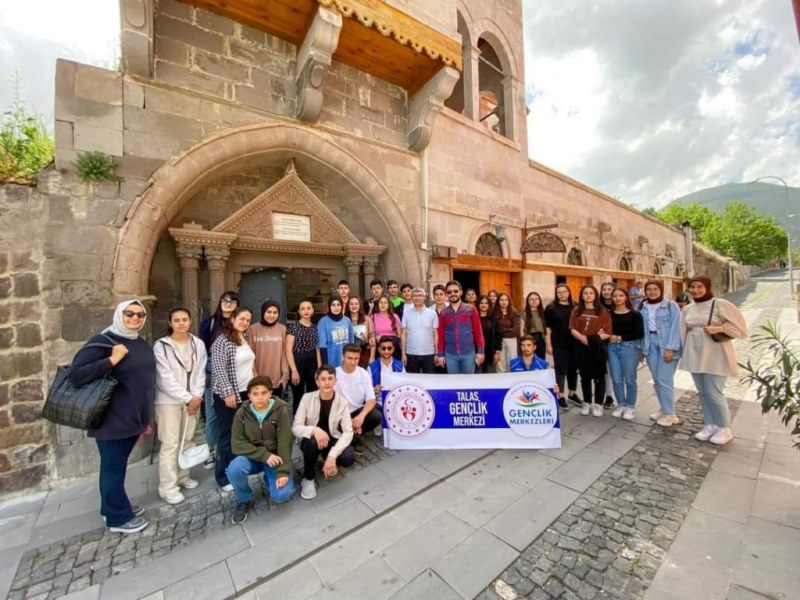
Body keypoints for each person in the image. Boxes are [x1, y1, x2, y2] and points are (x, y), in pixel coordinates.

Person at [69, 300, 156, 533]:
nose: (135, 318)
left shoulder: (136, 340)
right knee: (112, 467)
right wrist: (111, 360)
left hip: (133, 416)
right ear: (120, 314)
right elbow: (76, 375)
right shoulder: (102, 341)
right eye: (130, 314)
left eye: (140, 314)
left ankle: (114, 506)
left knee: (117, 466)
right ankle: (117, 518)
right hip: (112, 418)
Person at [680, 276, 747, 445]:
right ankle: (710, 423)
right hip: (695, 350)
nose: (696, 290)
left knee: (714, 391)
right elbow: (682, 330)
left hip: (714, 350)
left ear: (707, 287)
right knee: (702, 391)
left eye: (700, 286)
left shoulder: (720, 304)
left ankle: (724, 427)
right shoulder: (688, 309)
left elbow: (740, 329)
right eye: (692, 287)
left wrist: (720, 328)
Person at [154, 308, 207, 505]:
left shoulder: (197, 344)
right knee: (170, 443)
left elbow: (200, 371)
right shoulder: (162, 346)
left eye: (185, 319)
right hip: (169, 401)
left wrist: (196, 396)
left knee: (188, 439)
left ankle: (183, 476)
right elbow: (164, 377)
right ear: (170, 323)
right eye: (177, 320)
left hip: (193, 399)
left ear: (190, 321)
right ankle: (168, 486)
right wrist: (187, 397)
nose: (181, 323)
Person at [228, 376, 295, 524]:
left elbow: (285, 441)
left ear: (270, 393)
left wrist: (283, 471)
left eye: (264, 393)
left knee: (282, 495)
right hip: (253, 457)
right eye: (255, 394)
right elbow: (237, 444)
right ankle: (244, 499)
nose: (260, 398)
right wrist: (263, 455)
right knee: (234, 468)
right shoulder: (242, 413)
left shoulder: (281, 409)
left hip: (276, 457)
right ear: (249, 396)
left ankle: (270, 478)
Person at [292, 365, 356, 500]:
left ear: (335, 381)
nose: (327, 382)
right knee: (311, 443)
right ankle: (308, 477)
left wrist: (332, 456)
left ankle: (327, 457)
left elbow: (348, 432)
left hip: (332, 439)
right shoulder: (307, 398)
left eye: (330, 379)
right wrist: (314, 430)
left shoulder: (342, 402)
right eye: (323, 379)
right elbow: (296, 427)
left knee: (348, 457)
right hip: (312, 440)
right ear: (317, 382)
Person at [210, 306, 255, 491]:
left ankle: (237, 467)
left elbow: (250, 365)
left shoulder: (243, 338)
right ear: (233, 319)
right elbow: (218, 368)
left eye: (248, 320)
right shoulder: (223, 339)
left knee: (241, 433)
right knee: (227, 435)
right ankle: (223, 476)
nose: (245, 322)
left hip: (245, 392)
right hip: (228, 395)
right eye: (242, 318)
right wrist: (228, 392)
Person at [198, 291, 239, 471]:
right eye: (225, 300)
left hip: (236, 372)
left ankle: (233, 448)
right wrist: (203, 376)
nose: (228, 304)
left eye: (232, 301)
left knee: (234, 415)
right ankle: (211, 450)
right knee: (212, 414)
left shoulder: (238, 324)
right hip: (213, 372)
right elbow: (201, 351)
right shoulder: (210, 322)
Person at [640, 280, 682, 427]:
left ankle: (670, 414)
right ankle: (664, 408)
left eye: (655, 289)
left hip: (665, 343)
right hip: (649, 343)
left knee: (664, 379)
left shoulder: (671, 305)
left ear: (661, 290)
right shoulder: (643, 306)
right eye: (649, 289)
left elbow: (677, 327)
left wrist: (670, 348)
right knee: (657, 380)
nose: (652, 292)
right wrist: (642, 348)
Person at [570, 285, 612, 417]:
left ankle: (598, 403)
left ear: (595, 295)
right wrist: (584, 339)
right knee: (585, 375)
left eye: (591, 293)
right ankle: (587, 402)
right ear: (582, 295)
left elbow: (608, 332)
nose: (588, 295)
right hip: (581, 345)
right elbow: (572, 328)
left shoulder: (603, 312)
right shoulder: (576, 311)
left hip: (597, 347)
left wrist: (594, 339)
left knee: (599, 376)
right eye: (585, 293)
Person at [336, 344, 383, 450]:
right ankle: (352, 437)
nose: (353, 362)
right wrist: (347, 419)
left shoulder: (363, 373)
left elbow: (371, 399)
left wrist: (361, 416)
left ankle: (355, 434)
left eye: (356, 358)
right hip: (341, 414)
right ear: (343, 357)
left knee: (376, 415)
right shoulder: (335, 374)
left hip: (357, 410)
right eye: (349, 358)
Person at [607, 289, 644, 420]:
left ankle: (630, 406)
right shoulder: (608, 314)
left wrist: (619, 337)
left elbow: (639, 333)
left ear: (626, 297)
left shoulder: (635, 314)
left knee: (630, 379)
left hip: (629, 347)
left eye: (621, 295)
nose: (618, 298)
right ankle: (621, 404)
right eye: (615, 296)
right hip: (612, 348)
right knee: (616, 378)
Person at [436, 280, 485, 374]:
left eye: (455, 291)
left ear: (461, 292)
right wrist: (440, 354)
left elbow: (478, 332)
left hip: (468, 354)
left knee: (468, 383)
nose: (452, 294)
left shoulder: (471, 309)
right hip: (450, 355)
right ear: (447, 295)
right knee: (453, 384)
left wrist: (481, 351)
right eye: (449, 292)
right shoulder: (444, 312)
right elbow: (441, 335)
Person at [545, 284, 580, 410]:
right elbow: (547, 328)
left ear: (569, 292)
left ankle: (572, 393)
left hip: (575, 342)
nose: (562, 294)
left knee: (573, 369)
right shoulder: (551, 308)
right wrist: (548, 344)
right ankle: (560, 396)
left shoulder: (576, 306)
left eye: (564, 291)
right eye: (559, 292)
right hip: (558, 342)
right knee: (560, 370)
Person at [248, 299, 289, 399]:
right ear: (263, 312)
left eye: (275, 312)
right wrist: (255, 375)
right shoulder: (252, 329)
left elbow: (284, 353)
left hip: (277, 380)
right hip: (257, 378)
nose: (272, 315)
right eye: (269, 312)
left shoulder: (282, 329)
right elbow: (250, 354)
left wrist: (285, 375)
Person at [286, 299, 320, 414]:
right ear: (299, 312)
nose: (306, 311)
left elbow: (317, 348)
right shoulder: (293, 327)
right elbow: (288, 350)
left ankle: (312, 421)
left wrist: (319, 367)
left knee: (313, 393)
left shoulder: (315, 327)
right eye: (303, 308)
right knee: (298, 395)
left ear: (313, 311)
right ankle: (297, 424)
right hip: (298, 360)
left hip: (312, 360)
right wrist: (294, 370)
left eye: (308, 308)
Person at [401, 287, 438, 374]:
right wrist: (403, 353)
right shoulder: (406, 314)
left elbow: (435, 334)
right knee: (413, 383)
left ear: (425, 297)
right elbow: (403, 335)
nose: (417, 298)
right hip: (411, 354)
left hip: (429, 354)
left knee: (430, 381)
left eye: (420, 295)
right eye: (415, 295)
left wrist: (436, 353)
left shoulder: (432, 313)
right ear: (411, 297)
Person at [316, 294, 353, 368]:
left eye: (338, 305)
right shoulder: (323, 322)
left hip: (346, 362)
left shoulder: (347, 320)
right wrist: (325, 366)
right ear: (329, 306)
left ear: (342, 306)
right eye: (333, 305)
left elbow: (351, 342)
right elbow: (322, 346)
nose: (336, 308)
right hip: (331, 363)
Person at [598, 282, 617, 409]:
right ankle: (608, 395)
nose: (606, 291)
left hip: (617, 341)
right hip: (601, 342)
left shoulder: (619, 306)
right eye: (604, 289)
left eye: (609, 289)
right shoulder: (598, 307)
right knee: (606, 371)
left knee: (617, 371)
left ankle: (621, 396)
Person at [494, 292, 522, 373]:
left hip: (511, 340)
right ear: (498, 302)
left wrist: (502, 330)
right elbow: (495, 330)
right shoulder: (494, 314)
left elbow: (516, 330)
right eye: (501, 300)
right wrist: (508, 329)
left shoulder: (514, 313)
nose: (504, 302)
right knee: (500, 364)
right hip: (499, 341)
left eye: (506, 300)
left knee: (512, 361)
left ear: (509, 301)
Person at [370, 336, 405, 401]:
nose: (386, 351)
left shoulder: (400, 366)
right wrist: (375, 390)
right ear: (379, 349)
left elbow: (405, 384)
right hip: (378, 402)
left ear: (393, 349)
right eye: (383, 348)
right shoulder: (371, 367)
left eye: (389, 348)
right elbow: (368, 389)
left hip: (396, 400)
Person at [371, 294, 403, 361]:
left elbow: (400, 335)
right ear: (378, 304)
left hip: (393, 348)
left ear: (388, 305)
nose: (383, 305)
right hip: (379, 348)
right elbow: (371, 334)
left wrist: (384, 338)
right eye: (381, 302)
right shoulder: (373, 317)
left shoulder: (395, 317)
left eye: (385, 303)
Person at [477, 295, 502, 373]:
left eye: (486, 303)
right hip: (476, 352)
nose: (484, 305)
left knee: (489, 376)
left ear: (489, 305)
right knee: (477, 375)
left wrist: (497, 352)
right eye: (481, 303)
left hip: (490, 352)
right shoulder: (473, 318)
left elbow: (498, 336)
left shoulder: (493, 319)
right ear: (478, 304)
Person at [347, 296, 374, 368]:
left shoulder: (367, 319)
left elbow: (372, 337)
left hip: (364, 353)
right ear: (348, 306)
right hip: (349, 353)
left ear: (360, 305)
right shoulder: (345, 320)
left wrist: (372, 356)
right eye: (351, 304)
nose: (354, 306)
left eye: (356, 303)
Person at [523, 291, 547, 360]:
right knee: (530, 360)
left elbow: (547, 329)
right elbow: (521, 331)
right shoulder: (524, 314)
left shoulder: (543, 313)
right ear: (528, 301)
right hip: (530, 338)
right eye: (531, 299)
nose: (534, 301)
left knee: (541, 360)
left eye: (536, 299)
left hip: (541, 339)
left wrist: (548, 344)